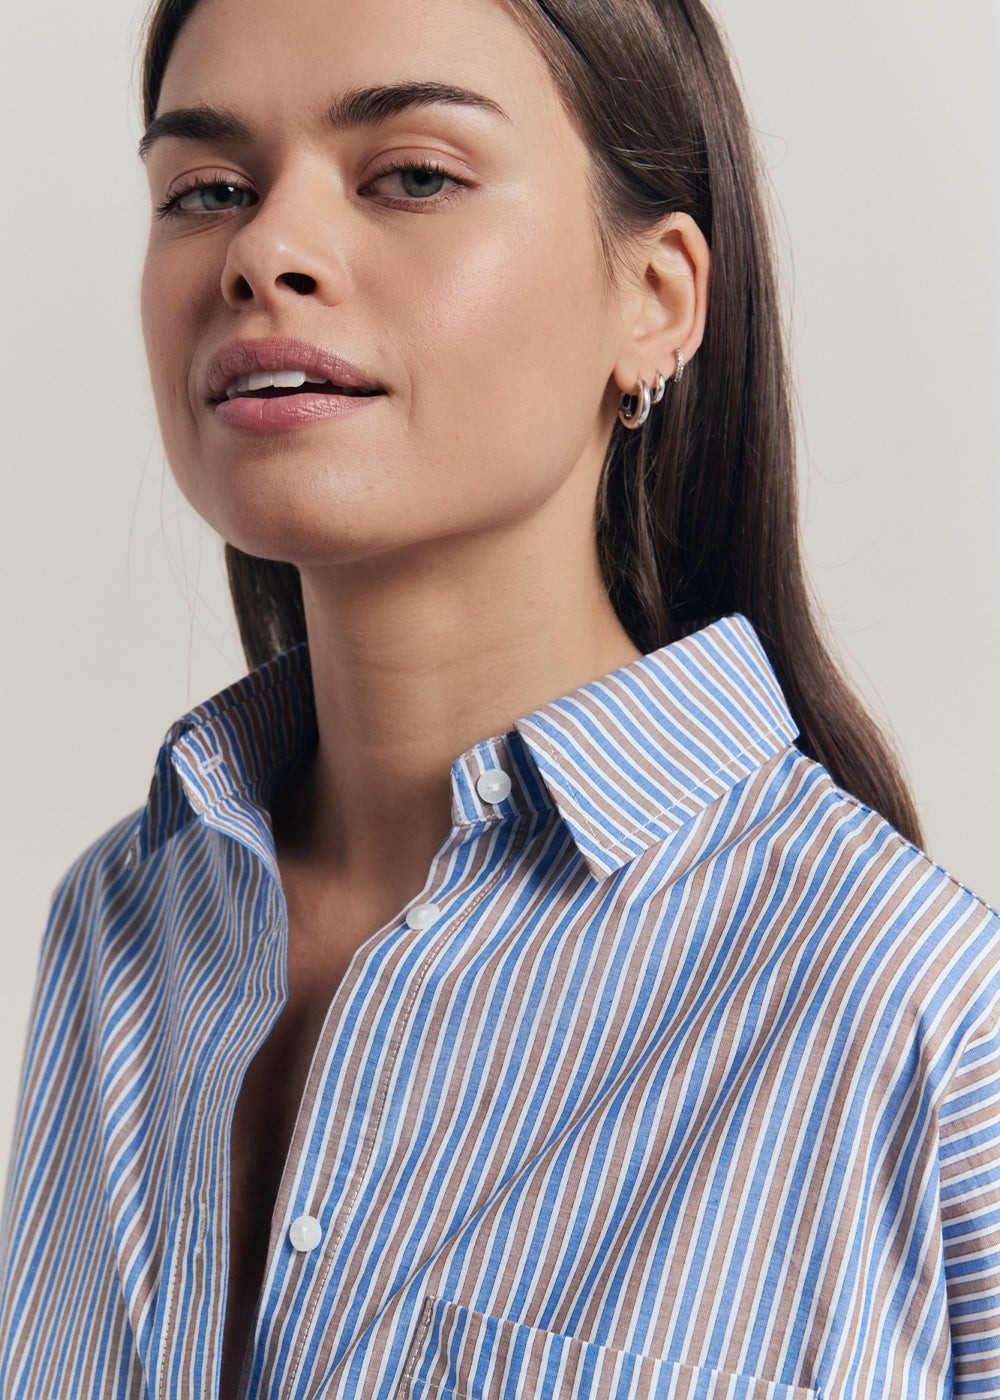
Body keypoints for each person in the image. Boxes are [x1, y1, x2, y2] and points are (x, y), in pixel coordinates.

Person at [1, 0, 997, 1396]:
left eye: (413, 175)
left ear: (656, 300)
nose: (263, 251)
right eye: (207, 190)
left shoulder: (923, 1021)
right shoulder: (118, 926)